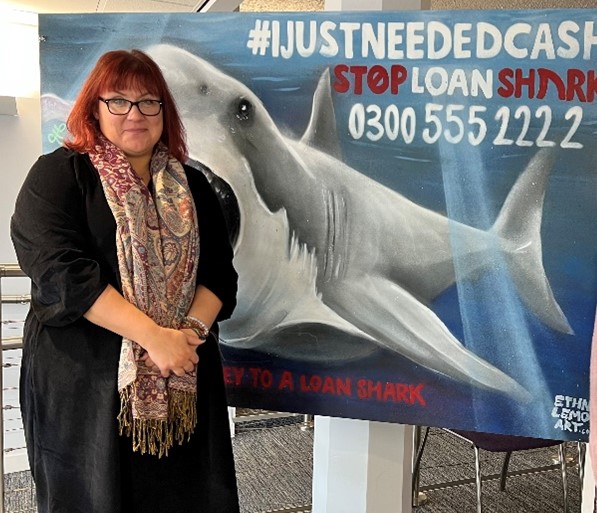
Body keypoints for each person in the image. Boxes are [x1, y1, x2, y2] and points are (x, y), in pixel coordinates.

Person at [11, 49, 239, 513]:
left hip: (184, 374)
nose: (135, 114)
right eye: (118, 101)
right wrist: (154, 338)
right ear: (94, 108)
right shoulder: (58, 175)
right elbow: (63, 275)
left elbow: (219, 273)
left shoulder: (194, 187)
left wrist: (186, 337)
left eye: (148, 102)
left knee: (186, 496)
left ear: (164, 112)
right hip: (85, 388)